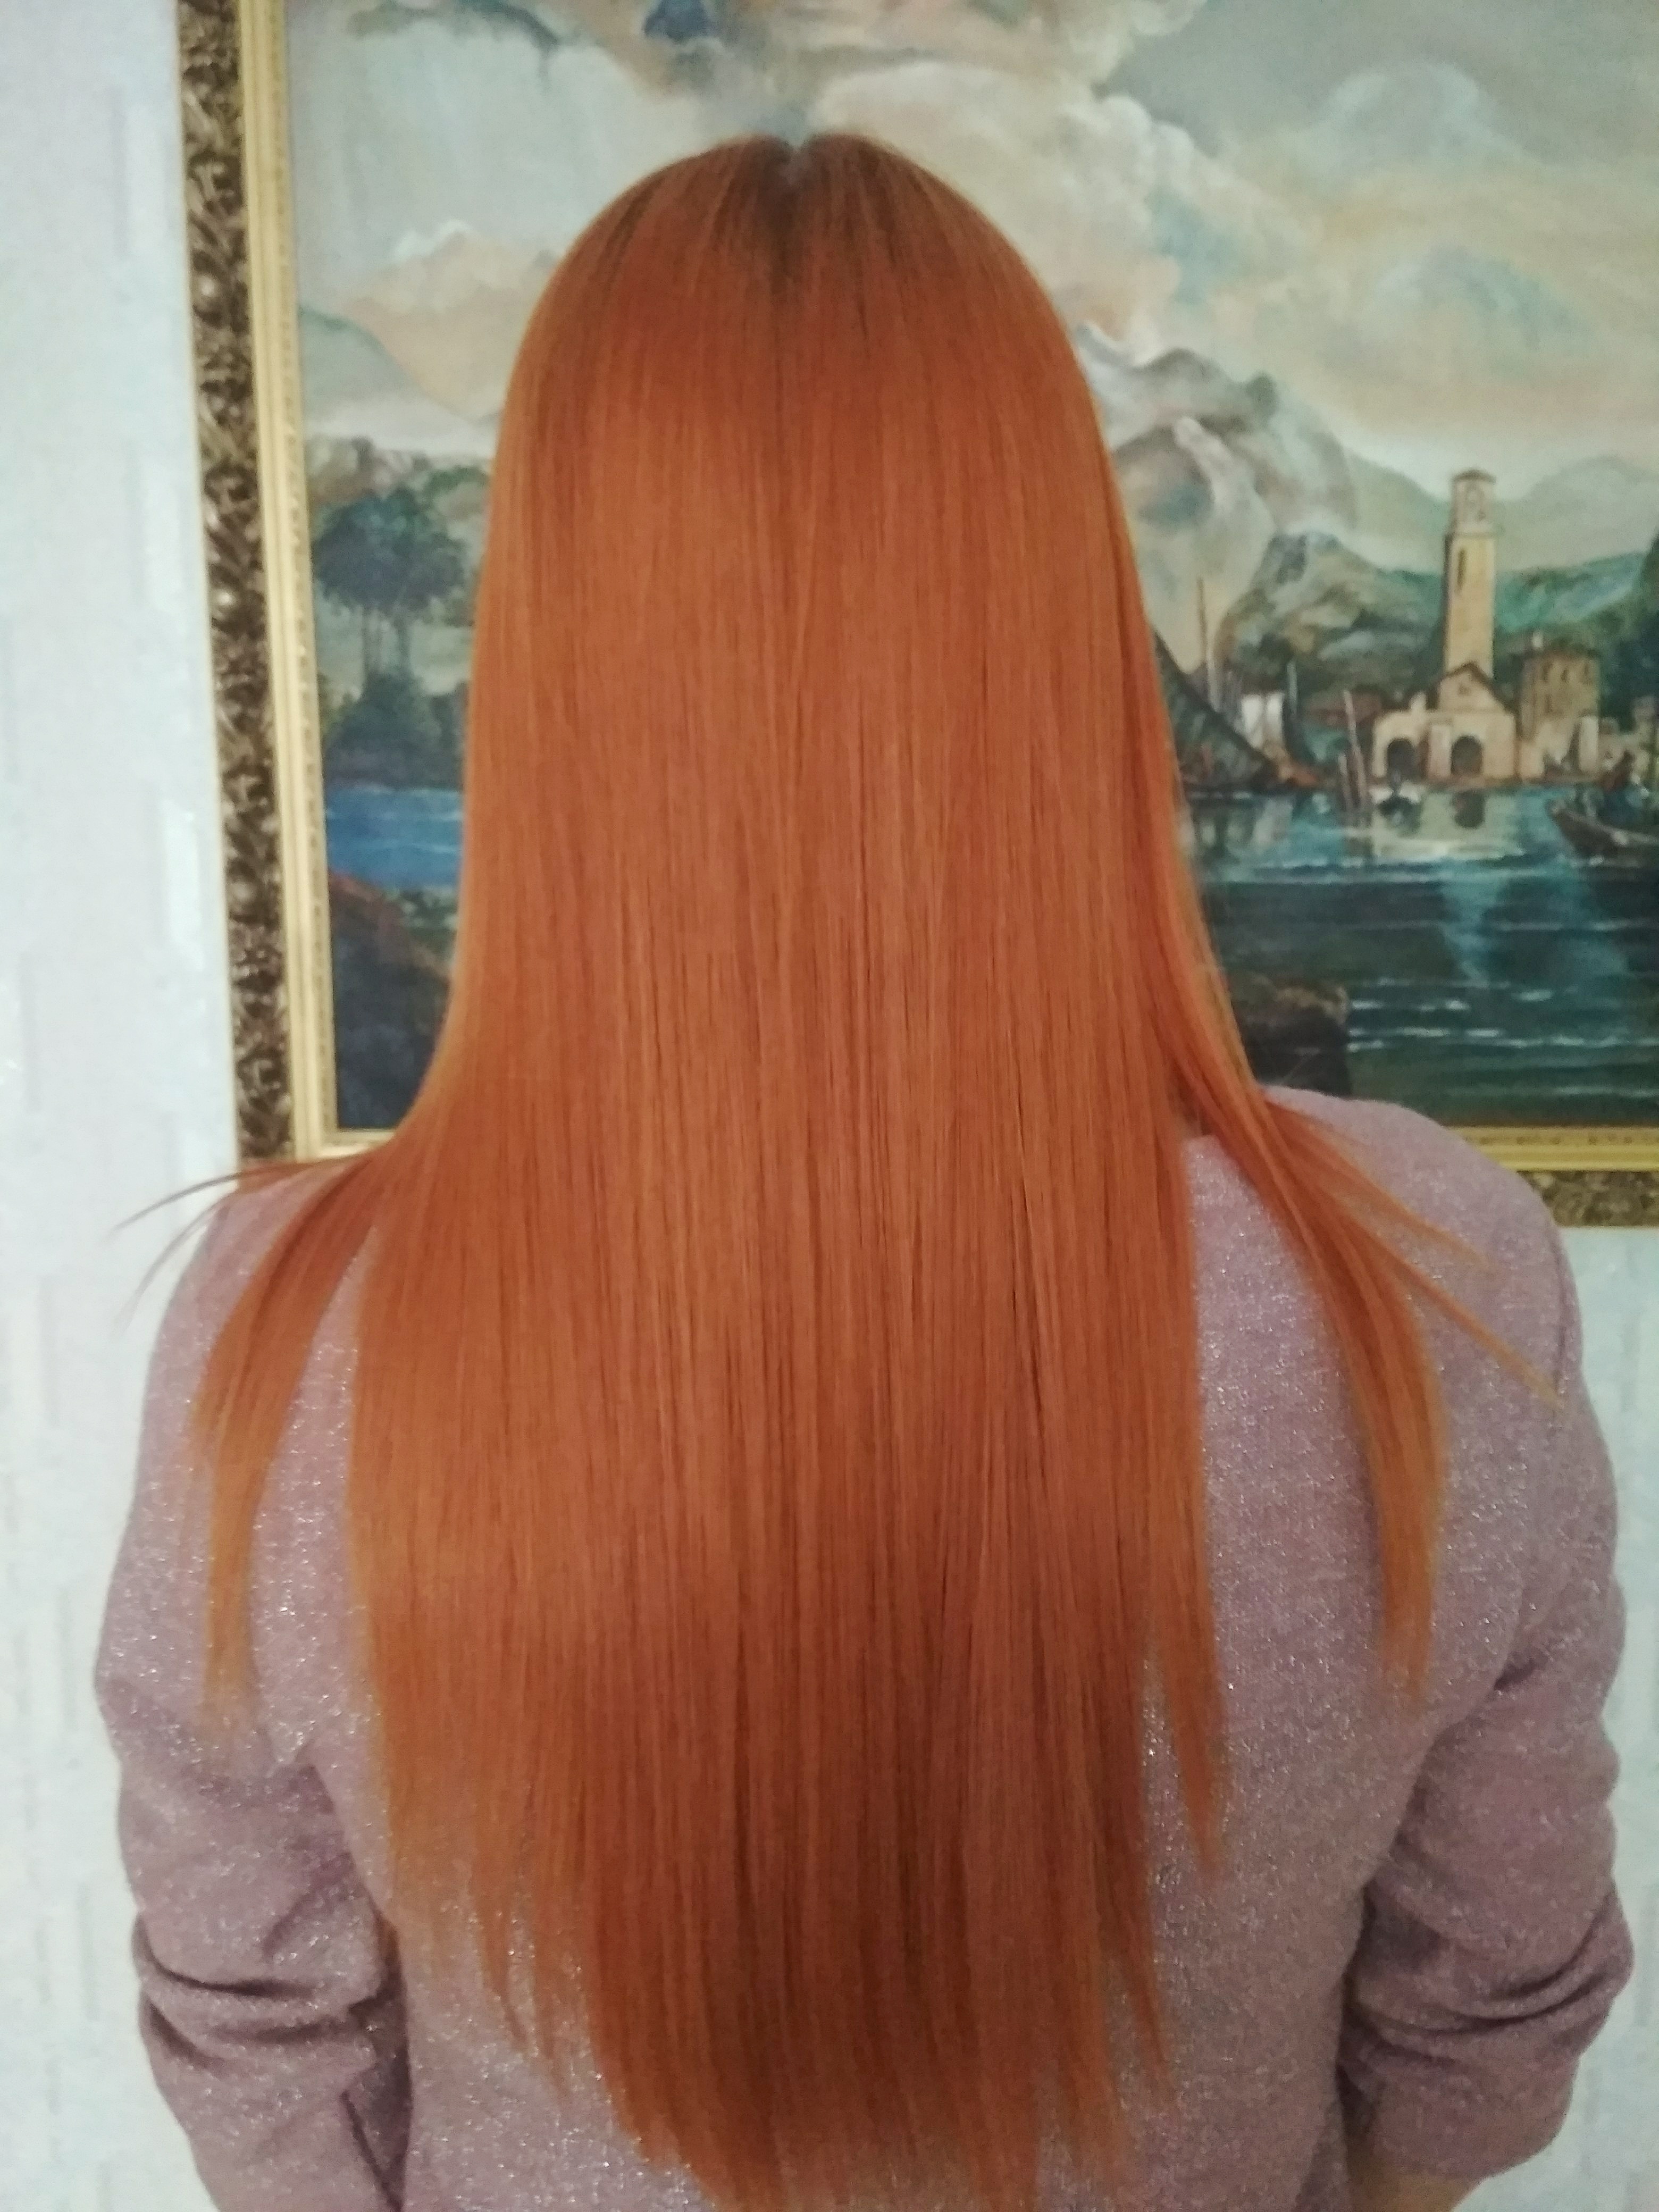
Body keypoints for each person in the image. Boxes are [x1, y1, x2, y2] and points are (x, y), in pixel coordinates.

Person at [97, 135, 1630, 2212]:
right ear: (1060, 623)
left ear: (552, 662)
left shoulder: (290, 1327)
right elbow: (1484, 2027)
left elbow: (263, 2047)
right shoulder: (1436, 1276)